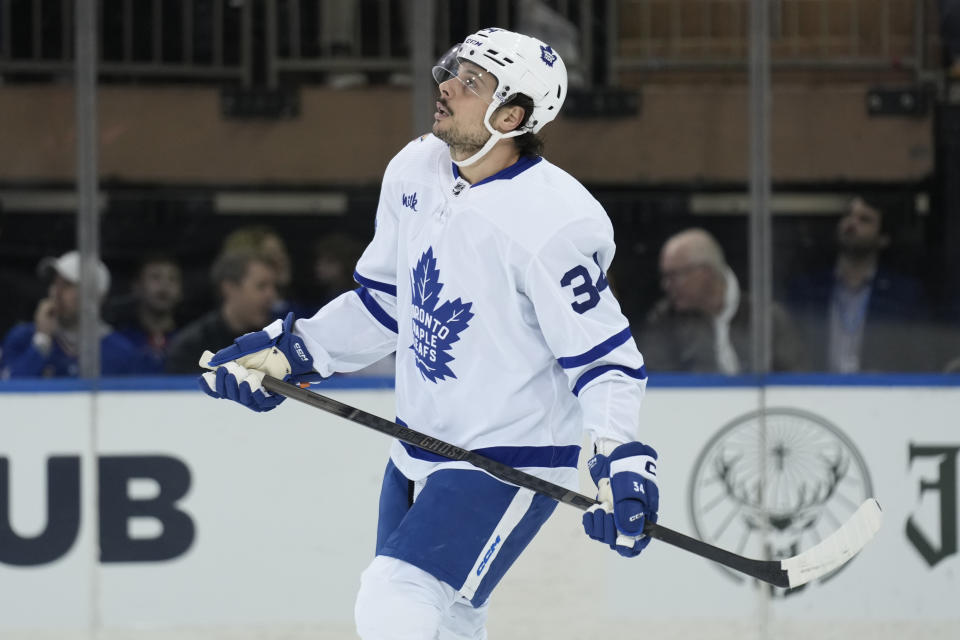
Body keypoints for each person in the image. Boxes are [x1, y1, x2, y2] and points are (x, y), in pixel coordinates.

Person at [197, 28, 660, 640]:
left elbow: (604, 359)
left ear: (511, 115)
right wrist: (293, 352)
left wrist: (618, 455)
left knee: (393, 600)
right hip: (416, 448)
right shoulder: (415, 167)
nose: (446, 86)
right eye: (453, 71)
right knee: (447, 623)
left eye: (472, 82)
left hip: (507, 460)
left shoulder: (557, 222)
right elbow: (387, 304)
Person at [786, 196, 934, 373]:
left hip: (882, 396)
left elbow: (918, 357)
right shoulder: (808, 289)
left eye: (864, 219)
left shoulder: (904, 295)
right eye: (848, 215)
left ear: (883, 239)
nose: (852, 222)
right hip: (814, 395)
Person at [639, 228, 805, 374]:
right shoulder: (663, 320)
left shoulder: (768, 317)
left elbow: (796, 379)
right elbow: (659, 379)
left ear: (705, 272)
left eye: (674, 275)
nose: (666, 285)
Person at [0, 250, 143, 378]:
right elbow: (7, 394)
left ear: (97, 297)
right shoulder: (24, 337)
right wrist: (41, 342)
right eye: (55, 283)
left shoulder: (121, 352)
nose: (56, 292)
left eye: (68, 285)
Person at [164, 249, 278, 374]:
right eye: (261, 286)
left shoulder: (279, 342)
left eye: (273, 287)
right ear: (230, 288)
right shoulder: (191, 347)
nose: (271, 295)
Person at [109, 253, 184, 374]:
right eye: (155, 277)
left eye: (172, 279)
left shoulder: (189, 343)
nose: (164, 286)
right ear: (137, 287)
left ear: (181, 290)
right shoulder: (119, 342)